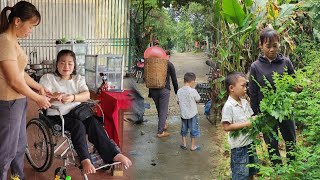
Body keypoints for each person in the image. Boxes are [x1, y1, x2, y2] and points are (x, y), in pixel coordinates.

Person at [39, 50, 132, 174]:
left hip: (78, 113)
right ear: (57, 64)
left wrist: (73, 98)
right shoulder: (48, 78)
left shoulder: (78, 79)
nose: (66, 66)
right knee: (78, 126)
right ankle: (85, 159)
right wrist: (55, 96)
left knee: (93, 123)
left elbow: (86, 94)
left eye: (70, 63)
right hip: (57, 116)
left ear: (74, 65)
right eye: (62, 63)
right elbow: (42, 97)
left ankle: (114, 154)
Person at [0, 1, 51, 179]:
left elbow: (20, 74)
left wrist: (39, 87)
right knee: (6, 151)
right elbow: (13, 80)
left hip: (19, 101)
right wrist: (37, 98)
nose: (30, 31)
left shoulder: (14, 42)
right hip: (8, 102)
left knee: (20, 147)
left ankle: (17, 177)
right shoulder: (5, 41)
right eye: (31, 26)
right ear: (17, 21)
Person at [248, 27, 298, 165]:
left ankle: (292, 166)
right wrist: (255, 114)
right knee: (271, 142)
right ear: (261, 45)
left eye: (275, 46)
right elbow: (253, 92)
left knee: (291, 139)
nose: (271, 50)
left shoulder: (286, 62)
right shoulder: (255, 66)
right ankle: (277, 168)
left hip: (285, 109)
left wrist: (297, 88)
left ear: (279, 44)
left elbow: (294, 83)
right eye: (268, 46)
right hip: (266, 112)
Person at [221, 72, 258, 180]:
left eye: (246, 85)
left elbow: (251, 118)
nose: (245, 88)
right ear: (232, 88)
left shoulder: (245, 102)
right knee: (240, 175)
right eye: (243, 86)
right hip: (239, 147)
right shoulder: (228, 106)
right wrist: (248, 124)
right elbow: (226, 127)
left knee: (251, 171)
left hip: (250, 143)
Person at [149, 50, 178, 138]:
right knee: (163, 111)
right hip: (164, 90)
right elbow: (174, 79)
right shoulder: (169, 64)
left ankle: (163, 124)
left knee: (159, 108)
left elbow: (148, 78)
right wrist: (177, 91)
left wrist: (150, 92)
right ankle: (160, 131)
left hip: (153, 90)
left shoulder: (152, 64)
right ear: (167, 56)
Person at [177, 72, 201, 151]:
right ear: (192, 82)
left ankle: (184, 143)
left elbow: (178, 101)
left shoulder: (179, 91)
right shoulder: (193, 91)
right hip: (192, 114)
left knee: (184, 129)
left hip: (183, 114)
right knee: (193, 129)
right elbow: (198, 99)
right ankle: (193, 146)